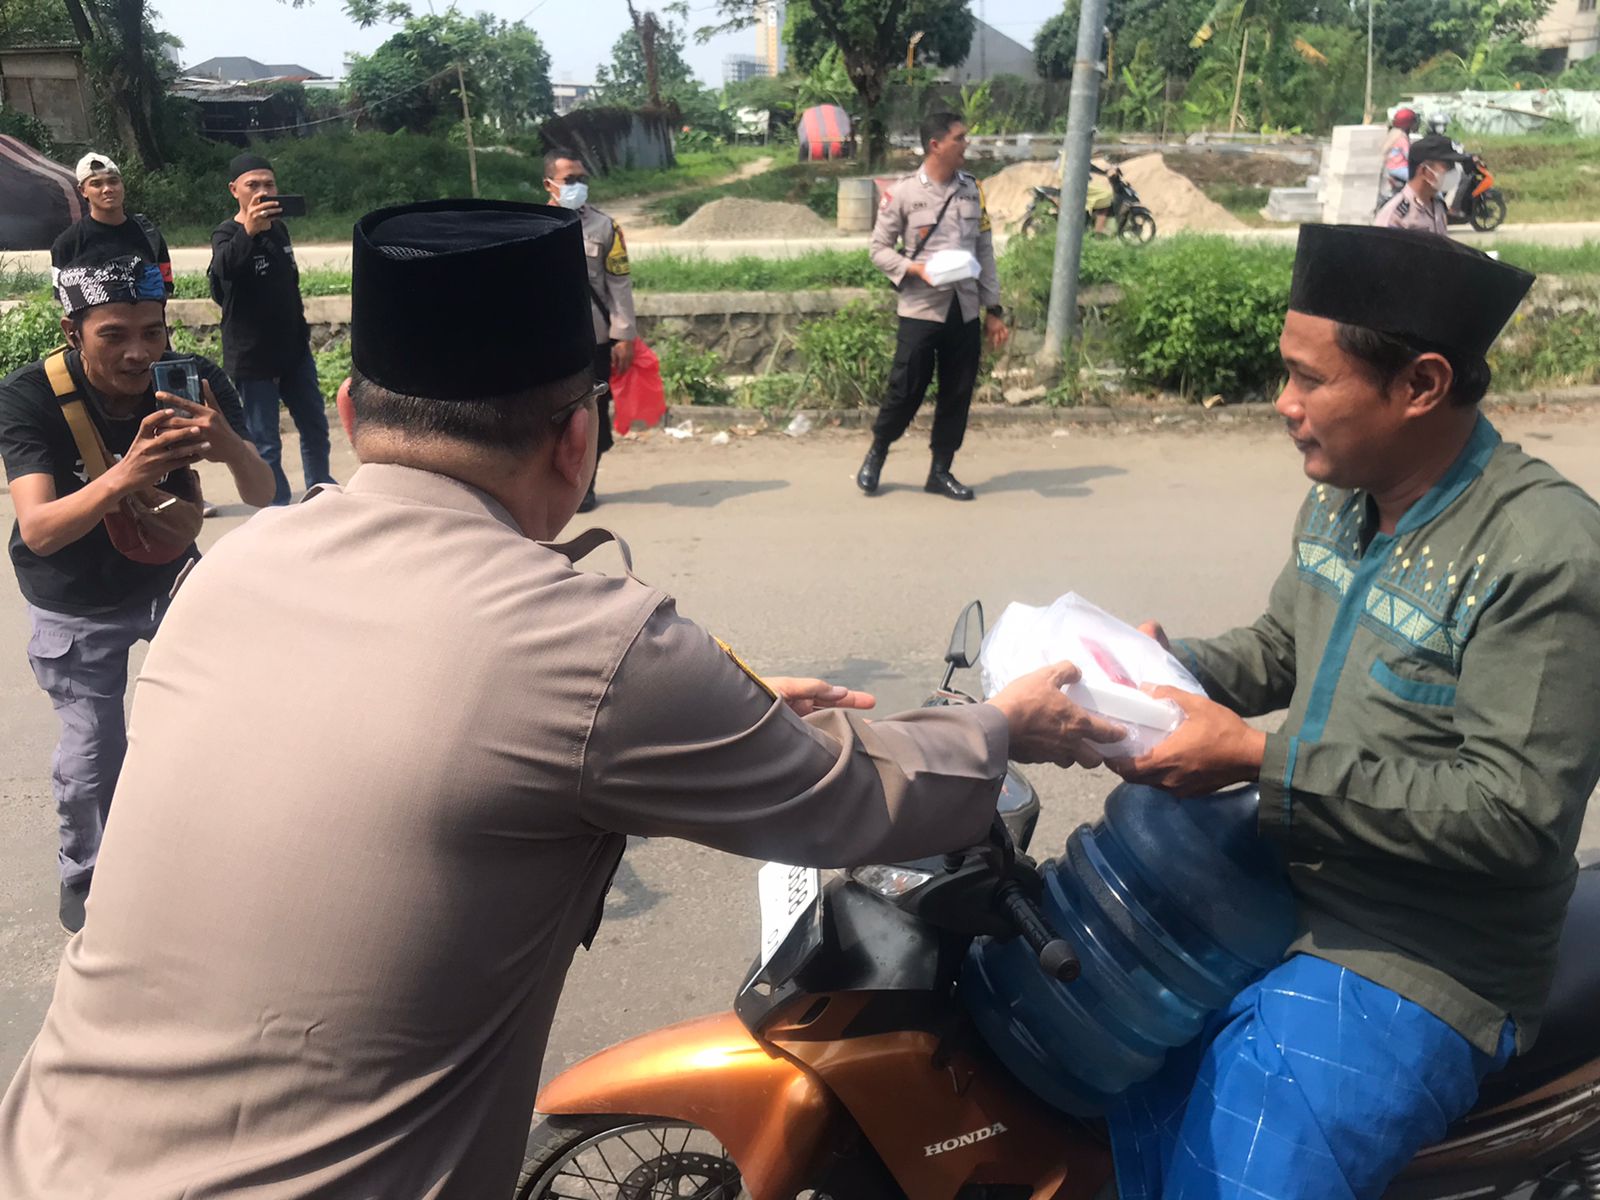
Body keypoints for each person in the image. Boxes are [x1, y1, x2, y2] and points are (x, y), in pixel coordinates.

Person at [0, 199, 1123, 1199]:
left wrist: (703, 709)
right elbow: (853, 798)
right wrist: (1006, 724)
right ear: (578, 436)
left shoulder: (235, 567)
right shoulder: (599, 648)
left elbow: (434, 732)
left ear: (347, 410)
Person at [1106, 224, 1600, 1200]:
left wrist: (1258, 759)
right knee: (1080, 1104)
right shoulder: (1345, 500)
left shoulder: (1542, 554)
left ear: (1418, 385)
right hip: (1278, 890)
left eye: (1307, 380)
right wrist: (1152, 669)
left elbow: (1511, 814)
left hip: (1421, 958)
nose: (1282, 406)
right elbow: (1281, 649)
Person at [0, 255, 274, 933]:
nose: (139, 353)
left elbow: (262, 493)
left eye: (153, 333)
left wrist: (228, 445)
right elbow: (39, 530)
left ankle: (208, 844)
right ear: (72, 330)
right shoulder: (29, 396)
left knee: (229, 708)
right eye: (114, 334)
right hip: (73, 590)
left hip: (167, 569)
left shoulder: (194, 380)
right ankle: (86, 869)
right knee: (93, 746)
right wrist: (125, 476)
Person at [857, 112, 1009, 501]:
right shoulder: (903, 192)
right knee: (905, 389)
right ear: (935, 145)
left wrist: (994, 310)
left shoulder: (973, 190)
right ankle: (878, 452)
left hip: (964, 307)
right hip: (921, 309)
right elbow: (877, 250)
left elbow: (984, 250)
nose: (966, 145)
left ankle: (940, 470)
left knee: (957, 392)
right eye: (960, 138)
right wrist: (914, 269)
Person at [209, 152, 336, 505]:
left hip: (294, 352)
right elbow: (223, 270)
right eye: (253, 185)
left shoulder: (279, 229)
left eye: (269, 184)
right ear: (235, 190)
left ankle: (319, 493)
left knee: (315, 426)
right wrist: (249, 231)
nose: (262, 191)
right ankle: (275, 508)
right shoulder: (227, 233)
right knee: (265, 441)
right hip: (253, 357)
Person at [543, 147, 636, 513]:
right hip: (546, 341)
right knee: (548, 414)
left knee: (593, 412)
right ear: (549, 184)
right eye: (570, 180)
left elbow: (620, 284)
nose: (578, 186)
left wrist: (624, 335)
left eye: (582, 179)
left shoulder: (605, 227)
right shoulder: (529, 225)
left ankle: (587, 485)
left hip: (593, 339)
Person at [49, 153, 173, 295]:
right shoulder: (67, 244)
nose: (107, 189)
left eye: (113, 181)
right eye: (96, 184)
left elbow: (166, 288)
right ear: (83, 191)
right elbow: (64, 300)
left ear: (122, 185)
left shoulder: (149, 234)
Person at [1375, 134, 1469, 236]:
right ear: (1424, 171)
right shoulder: (1395, 216)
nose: (1452, 172)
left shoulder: (1437, 206)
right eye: (1448, 166)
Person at [1379, 107, 1419, 207]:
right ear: (1408, 124)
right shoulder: (1401, 138)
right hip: (1399, 168)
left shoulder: (1393, 134)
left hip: (1391, 168)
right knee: (1422, 179)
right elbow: (1409, 156)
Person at [1086, 159, 1122, 236]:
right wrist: (1104, 172)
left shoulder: (1068, 153)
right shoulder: (1076, 152)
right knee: (1106, 195)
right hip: (1075, 186)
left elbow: (1089, 166)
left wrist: (1103, 172)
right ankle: (1099, 228)